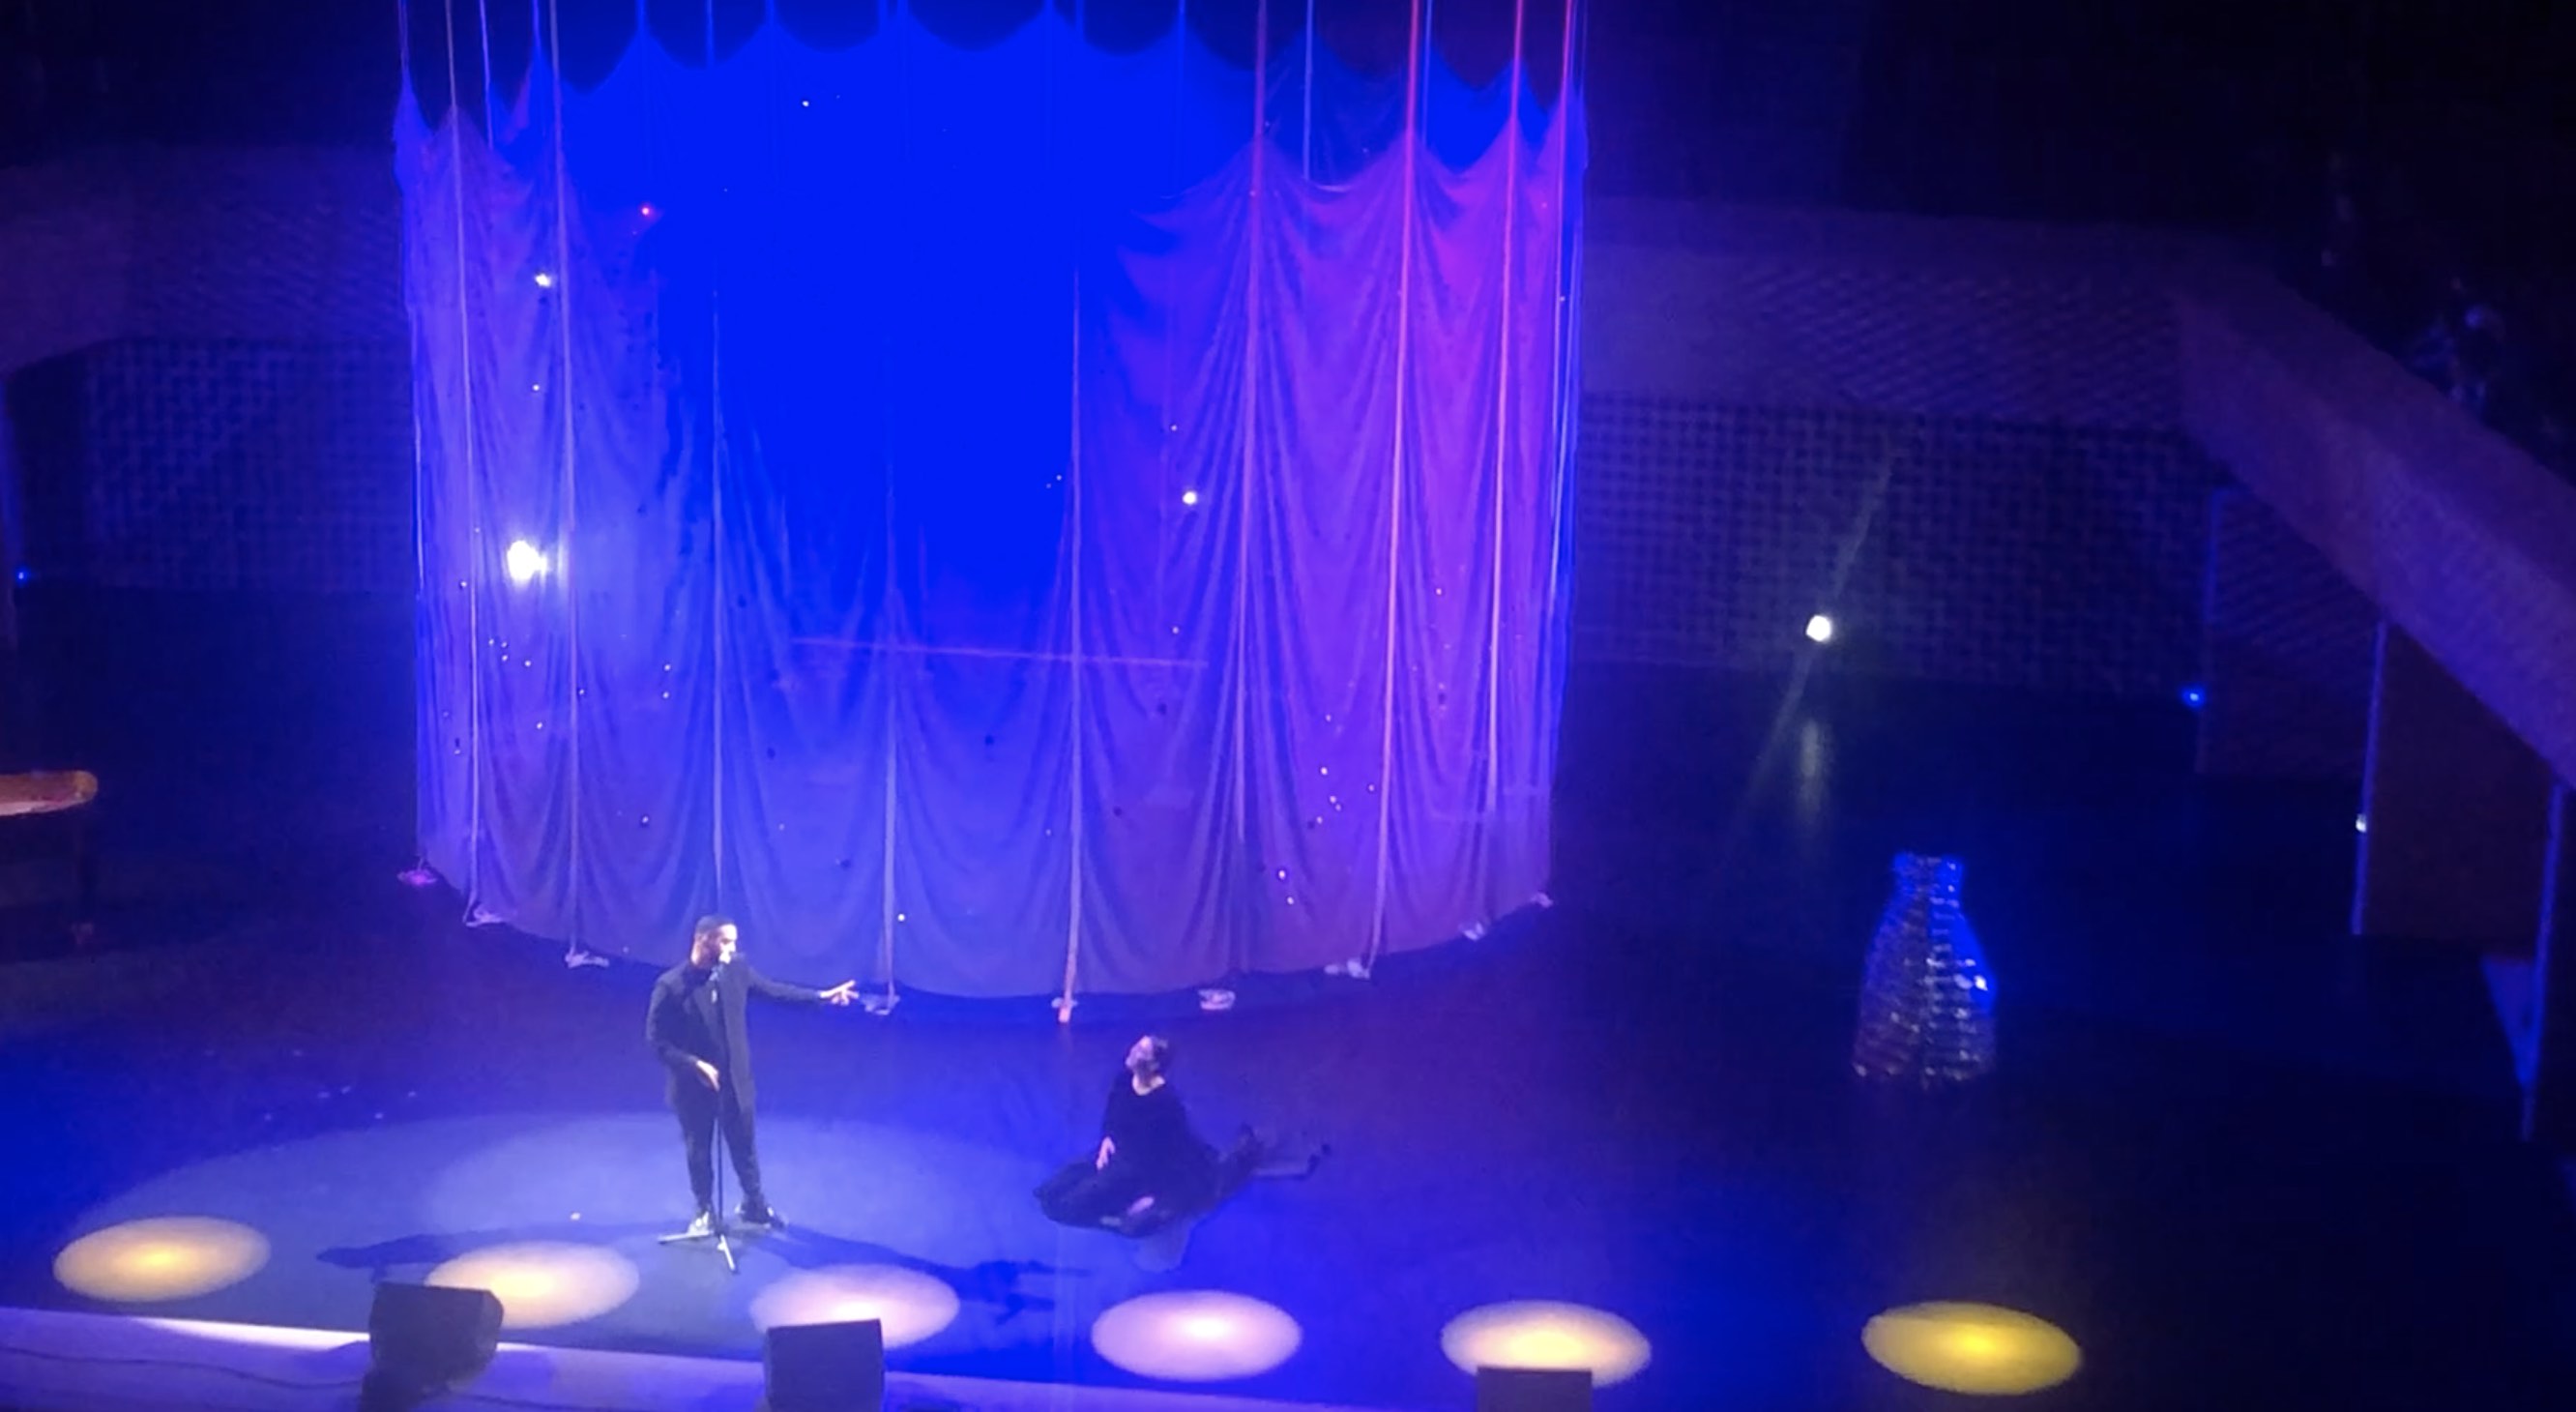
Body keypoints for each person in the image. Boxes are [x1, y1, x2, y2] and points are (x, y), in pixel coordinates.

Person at [646, 914, 857, 1232]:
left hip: (736, 1081)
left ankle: (754, 1204)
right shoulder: (671, 986)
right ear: (703, 940)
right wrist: (694, 1065)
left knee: (744, 1145)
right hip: (694, 1087)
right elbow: (657, 1041)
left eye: (734, 941)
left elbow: (774, 991)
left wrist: (820, 997)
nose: (733, 947)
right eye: (725, 941)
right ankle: (704, 1210)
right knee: (699, 1147)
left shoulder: (735, 970)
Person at [1036, 1034, 1259, 1236]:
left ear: (1153, 1065)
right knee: (1049, 1192)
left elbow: (1167, 1151)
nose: (1132, 1053)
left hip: (1140, 1168)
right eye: (1136, 1047)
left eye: (1141, 1052)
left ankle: (1116, 1217)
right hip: (1119, 1152)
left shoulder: (1165, 1103)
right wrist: (1107, 1138)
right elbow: (1112, 1113)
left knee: (1068, 1207)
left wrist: (1153, 1194)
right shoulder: (1124, 1079)